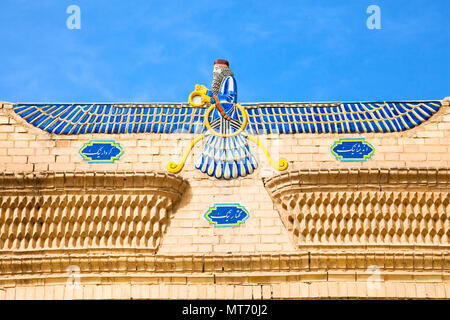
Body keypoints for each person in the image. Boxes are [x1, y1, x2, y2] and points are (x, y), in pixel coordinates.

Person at [195, 59, 258, 179]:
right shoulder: (220, 82)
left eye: (216, 70)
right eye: (213, 71)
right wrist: (206, 92)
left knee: (232, 149)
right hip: (217, 121)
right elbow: (216, 96)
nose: (214, 73)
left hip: (227, 122)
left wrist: (211, 100)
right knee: (213, 148)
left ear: (222, 70)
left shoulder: (229, 79)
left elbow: (229, 99)